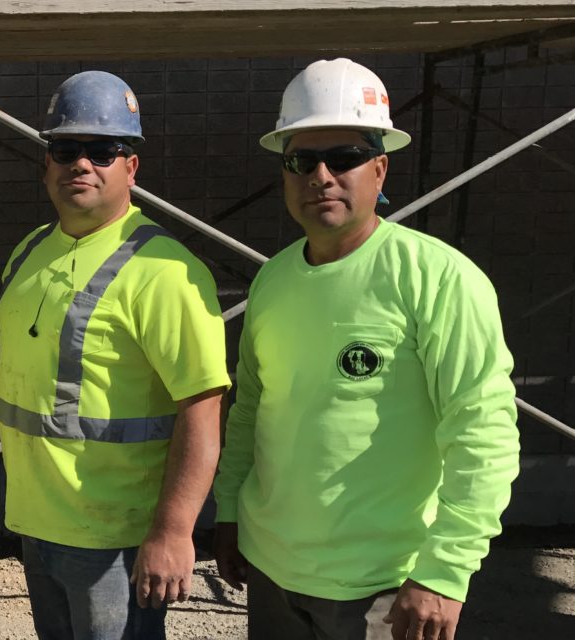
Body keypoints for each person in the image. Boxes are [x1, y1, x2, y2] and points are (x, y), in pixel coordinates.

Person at [212, 58, 521, 640]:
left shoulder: (438, 279)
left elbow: (483, 431)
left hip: (386, 587)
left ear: (380, 170)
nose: (321, 175)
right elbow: (251, 409)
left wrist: (445, 572)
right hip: (274, 572)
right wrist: (230, 511)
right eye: (301, 161)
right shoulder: (272, 281)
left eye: (345, 159)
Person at [0, 70, 230, 640]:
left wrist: (174, 531)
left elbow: (203, 409)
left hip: (117, 540)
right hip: (35, 523)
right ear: (46, 162)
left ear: (130, 166)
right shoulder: (30, 250)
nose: (80, 163)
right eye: (65, 148)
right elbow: (5, 366)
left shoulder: (165, 272)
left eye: (103, 150)